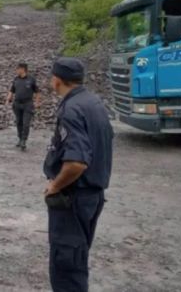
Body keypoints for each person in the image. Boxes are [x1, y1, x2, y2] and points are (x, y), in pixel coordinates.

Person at [43, 58, 114, 292]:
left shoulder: (71, 109)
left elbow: (76, 163)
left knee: (67, 269)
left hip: (74, 199)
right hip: (92, 196)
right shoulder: (93, 102)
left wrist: (55, 186)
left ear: (58, 79)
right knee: (77, 259)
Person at [6, 63, 41, 150]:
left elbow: (37, 92)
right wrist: (8, 99)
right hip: (17, 104)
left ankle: (24, 140)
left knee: (26, 123)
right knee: (19, 122)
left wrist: (37, 102)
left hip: (28, 104)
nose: (16, 70)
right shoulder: (16, 79)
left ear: (23, 69)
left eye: (18, 69)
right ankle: (20, 138)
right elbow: (12, 90)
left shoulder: (31, 79)